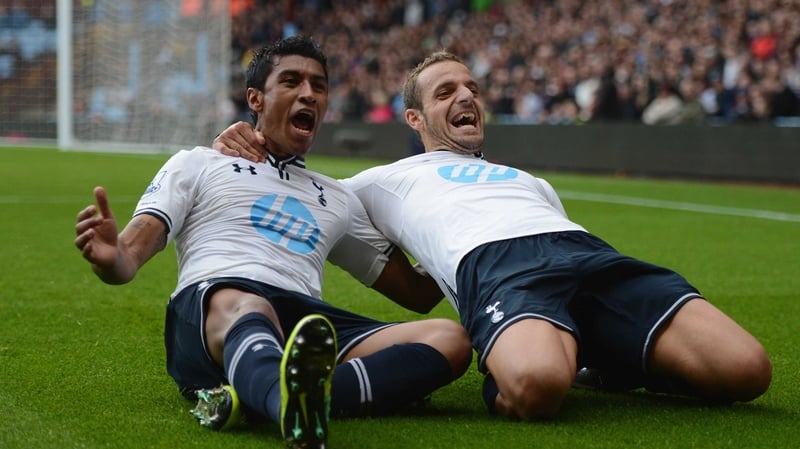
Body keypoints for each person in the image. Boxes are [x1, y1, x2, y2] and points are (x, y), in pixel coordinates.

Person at [215, 51, 772, 421]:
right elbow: (300, 186)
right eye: (445, 91)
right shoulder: (376, 182)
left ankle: (604, 363)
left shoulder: (529, 180)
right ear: (415, 119)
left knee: (749, 371)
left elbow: (560, 229)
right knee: (537, 389)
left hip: (588, 255)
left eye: (472, 87)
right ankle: (513, 368)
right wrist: (247, 137)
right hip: (499, 271)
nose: (466, 97)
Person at [75, 37, 471, 449]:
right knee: (250, 304)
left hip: (302, 326)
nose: (309, 94)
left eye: (319, 86)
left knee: (449, 339)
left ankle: (279, 395)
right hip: (215, 307)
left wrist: (472, 237)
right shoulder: (198, 163)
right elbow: (129, 256)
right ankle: (287, 402)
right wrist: (110, 257)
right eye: (292, 81)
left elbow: (416, 292)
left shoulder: (337, 196)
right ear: (256, 99)